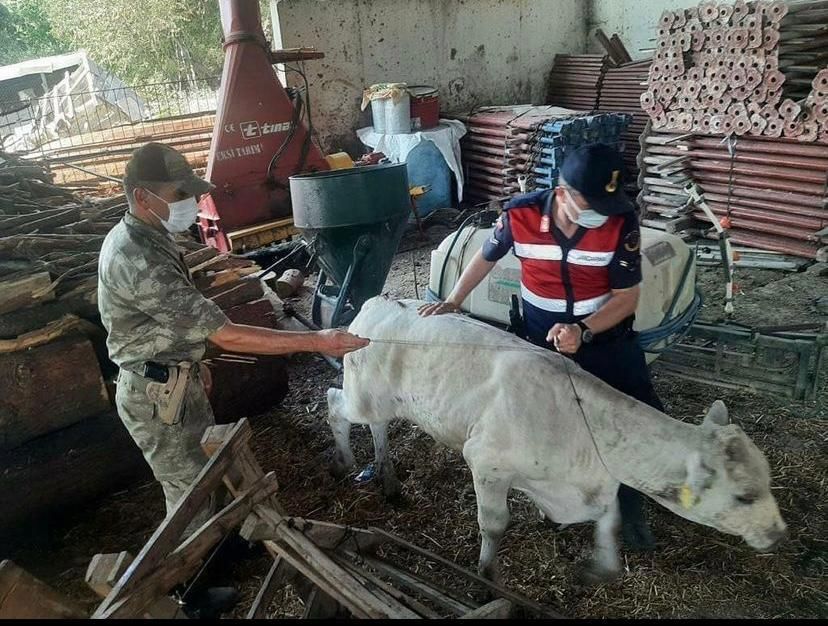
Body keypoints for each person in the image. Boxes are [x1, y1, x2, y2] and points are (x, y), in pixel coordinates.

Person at [98, 142, 369, 536]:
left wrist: (193, 361)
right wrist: (318, 341)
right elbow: (227, 334)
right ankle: (188, 589)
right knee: (188, 497)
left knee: (205, 476)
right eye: (179, 195)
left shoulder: (150, 237)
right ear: (142, 195)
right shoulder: (137, 257)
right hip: (156, 399)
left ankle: (217, 552)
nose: (189, 202)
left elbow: (170, 320)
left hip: (172, 383)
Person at [420, 143, 662, 551]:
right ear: (562, 192)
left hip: (603, 335)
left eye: (608, 202)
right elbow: (485, 257)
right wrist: (454, 300)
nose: (602, 212)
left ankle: (632, 506)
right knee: (549, 423)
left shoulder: (621, 223)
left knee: (636, 416)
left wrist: (583, 331)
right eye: (593, 203)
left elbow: (626, 297)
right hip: (540, 336)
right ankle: (560, 504)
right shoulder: (521, 214)